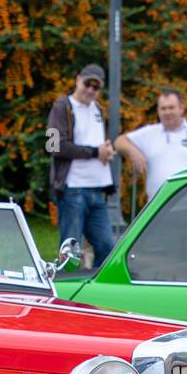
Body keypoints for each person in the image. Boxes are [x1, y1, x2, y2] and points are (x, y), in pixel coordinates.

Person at [46, 63, 116, 268]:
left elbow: (95, 143)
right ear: (78, 79)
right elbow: (53, 146)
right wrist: (95, 152)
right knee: (71, 252)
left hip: (97, 190)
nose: (91, 90)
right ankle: (66, 292)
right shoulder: (61, 106)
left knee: (107, 246)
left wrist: (106, 150)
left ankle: (94, 290)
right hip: (72, 190)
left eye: (96, 87)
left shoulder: (98, 109)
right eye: (88, 84)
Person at [115, 89, 187, 200]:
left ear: (181, 109)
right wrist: (133, 152)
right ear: (158, 111)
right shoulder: (149, 133)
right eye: (163, 108)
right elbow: (119, 142)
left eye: (171, 108)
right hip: (159, 209)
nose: (167, 112)